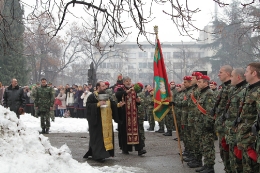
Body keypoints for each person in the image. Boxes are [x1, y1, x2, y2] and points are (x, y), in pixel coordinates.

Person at [83, 81, 120, 162]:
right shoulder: (92, 96)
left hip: (107, 122)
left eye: (105, 86)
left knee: (105, 139)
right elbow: (88, 107)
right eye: (103, 86)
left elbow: (112, 105)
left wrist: (118, 106)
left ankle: (105, 153)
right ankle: (99, 155)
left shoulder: (107, 96)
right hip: (97, 122)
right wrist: (97, 104)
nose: (105, 88)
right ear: (97, 87)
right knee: (98, 139)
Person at [236, 63, 260, 173]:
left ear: (254, 73)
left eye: (247, 71)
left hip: (252, 138)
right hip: (244, 135)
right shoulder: (249, 90)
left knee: (252, 167)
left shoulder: (258, 91)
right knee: (245, 166)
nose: (244, 74)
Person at [224, 68, 247, 173]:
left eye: (232, 76)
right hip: (231, 129)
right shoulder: (234, 89)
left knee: (239, 162)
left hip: (238, 131)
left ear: (238, 77)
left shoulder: (244, 91)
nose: (230, 78)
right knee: (232, 159)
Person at [115, 76, 146, 156]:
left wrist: (138, 101)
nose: (129, 82)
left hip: (133, 114)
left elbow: (135, 99)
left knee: (136, 131)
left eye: (129, 81)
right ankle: (125, 149)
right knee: (124, 132)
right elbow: (117, 95)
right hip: (124, 114)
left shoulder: (133, 90)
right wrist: (127, 91)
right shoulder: (120, 88)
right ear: (124, 82)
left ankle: (140, 149)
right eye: (127, 81)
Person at [194, 75, 215, 173]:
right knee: (203, 145)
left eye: (200, 82)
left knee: (208, 146)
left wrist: (208, 124)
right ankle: (206, 164)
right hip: (201, 124)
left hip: (206, 125)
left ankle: (210, 167)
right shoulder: (202, 93)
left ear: (206, 83)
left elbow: (210, 111)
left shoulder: (209, 93)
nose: (197, 83)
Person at [214, 65, 233, 173]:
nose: (218, 74)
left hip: (227, 126)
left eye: (221, 72)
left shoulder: (231, 88)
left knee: (228, 153)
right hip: (221, 125)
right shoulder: (224, 87)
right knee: (223, 152)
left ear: (228, 73)